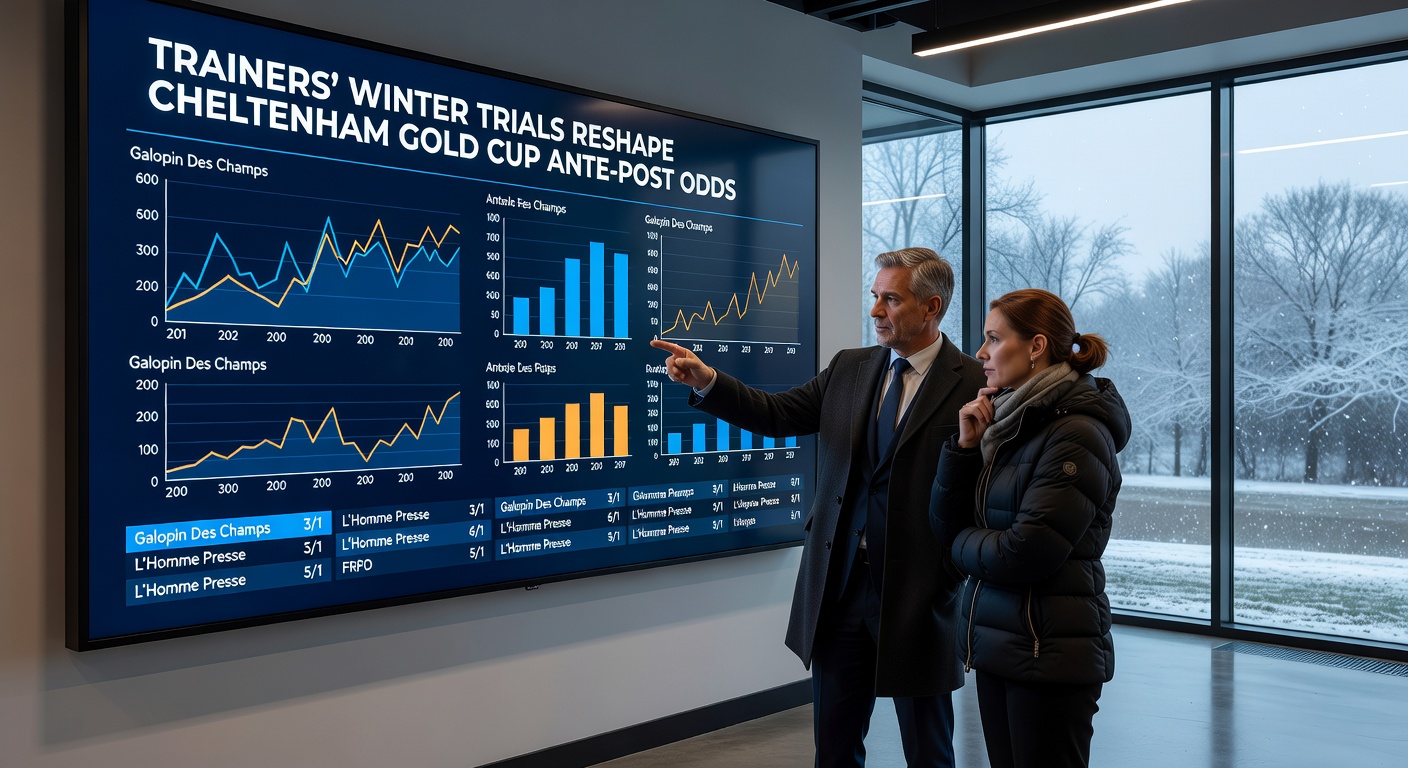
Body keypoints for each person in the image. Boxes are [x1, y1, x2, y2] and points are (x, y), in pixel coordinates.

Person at [652, 248, 985, 768]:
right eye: (875, 296)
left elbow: (980, 489)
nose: (875, 310)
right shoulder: (850, 367)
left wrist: (949, 571)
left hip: (920, 595)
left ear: (931, 307)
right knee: (833, 748)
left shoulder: (973, 382)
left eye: (891, 299)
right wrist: (709, 381)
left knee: (928, 750)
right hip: (840, 588)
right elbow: (778, 413)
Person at [928, 288, 1130, 768]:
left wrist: (959, 545)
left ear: (1036, 346)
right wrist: (963, 449)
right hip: (1001, 646)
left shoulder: (1077, 433)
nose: (981, 353)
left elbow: (1026, 551)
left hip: (1050, 654)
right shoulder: (1009, 424)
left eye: (994, 339)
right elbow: (945, 523)